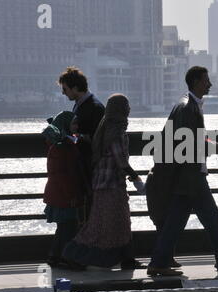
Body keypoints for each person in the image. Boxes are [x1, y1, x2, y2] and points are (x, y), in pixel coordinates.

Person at [147, 66, 218, 276]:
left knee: (174, 224)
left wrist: (207, 142)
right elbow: (186, 144)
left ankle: (158, 262)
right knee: (213, 220)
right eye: (206, 80)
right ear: (196, 81)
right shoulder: (189, 108)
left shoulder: (185, 106)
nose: (210, 84)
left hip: (185, 178)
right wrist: (212, 147)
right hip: (191, 177)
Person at [62, 94, 146, 270]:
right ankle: (73, 255)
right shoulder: (116, 129)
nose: (129, 109)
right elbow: (120, 158)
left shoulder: (104, 126)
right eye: (126, 105)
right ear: (121, 109)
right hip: (112, 185)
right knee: (113, 223)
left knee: (108, 222)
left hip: (101, 184)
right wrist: (136, 178)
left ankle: (126, 259)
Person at [58, 67, 105, 221]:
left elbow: (97, 139)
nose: (63, 93)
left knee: (89, 207)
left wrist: (73, 137)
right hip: (83, 166)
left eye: (65, 89)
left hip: (89, 167)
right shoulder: (82, 104)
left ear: (75, 88)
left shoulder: (95, 108)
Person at [41, 111, 85, 268]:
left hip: (59, 194)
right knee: (69, 227)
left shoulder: (61, 144)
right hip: (64, 195)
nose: (77, 126)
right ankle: (66, 258)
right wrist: (71, 194)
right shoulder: (63, 147)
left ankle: (56, 256)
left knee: (64, 227)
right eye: (74, 123)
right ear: (66, 126)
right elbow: (62, 175)